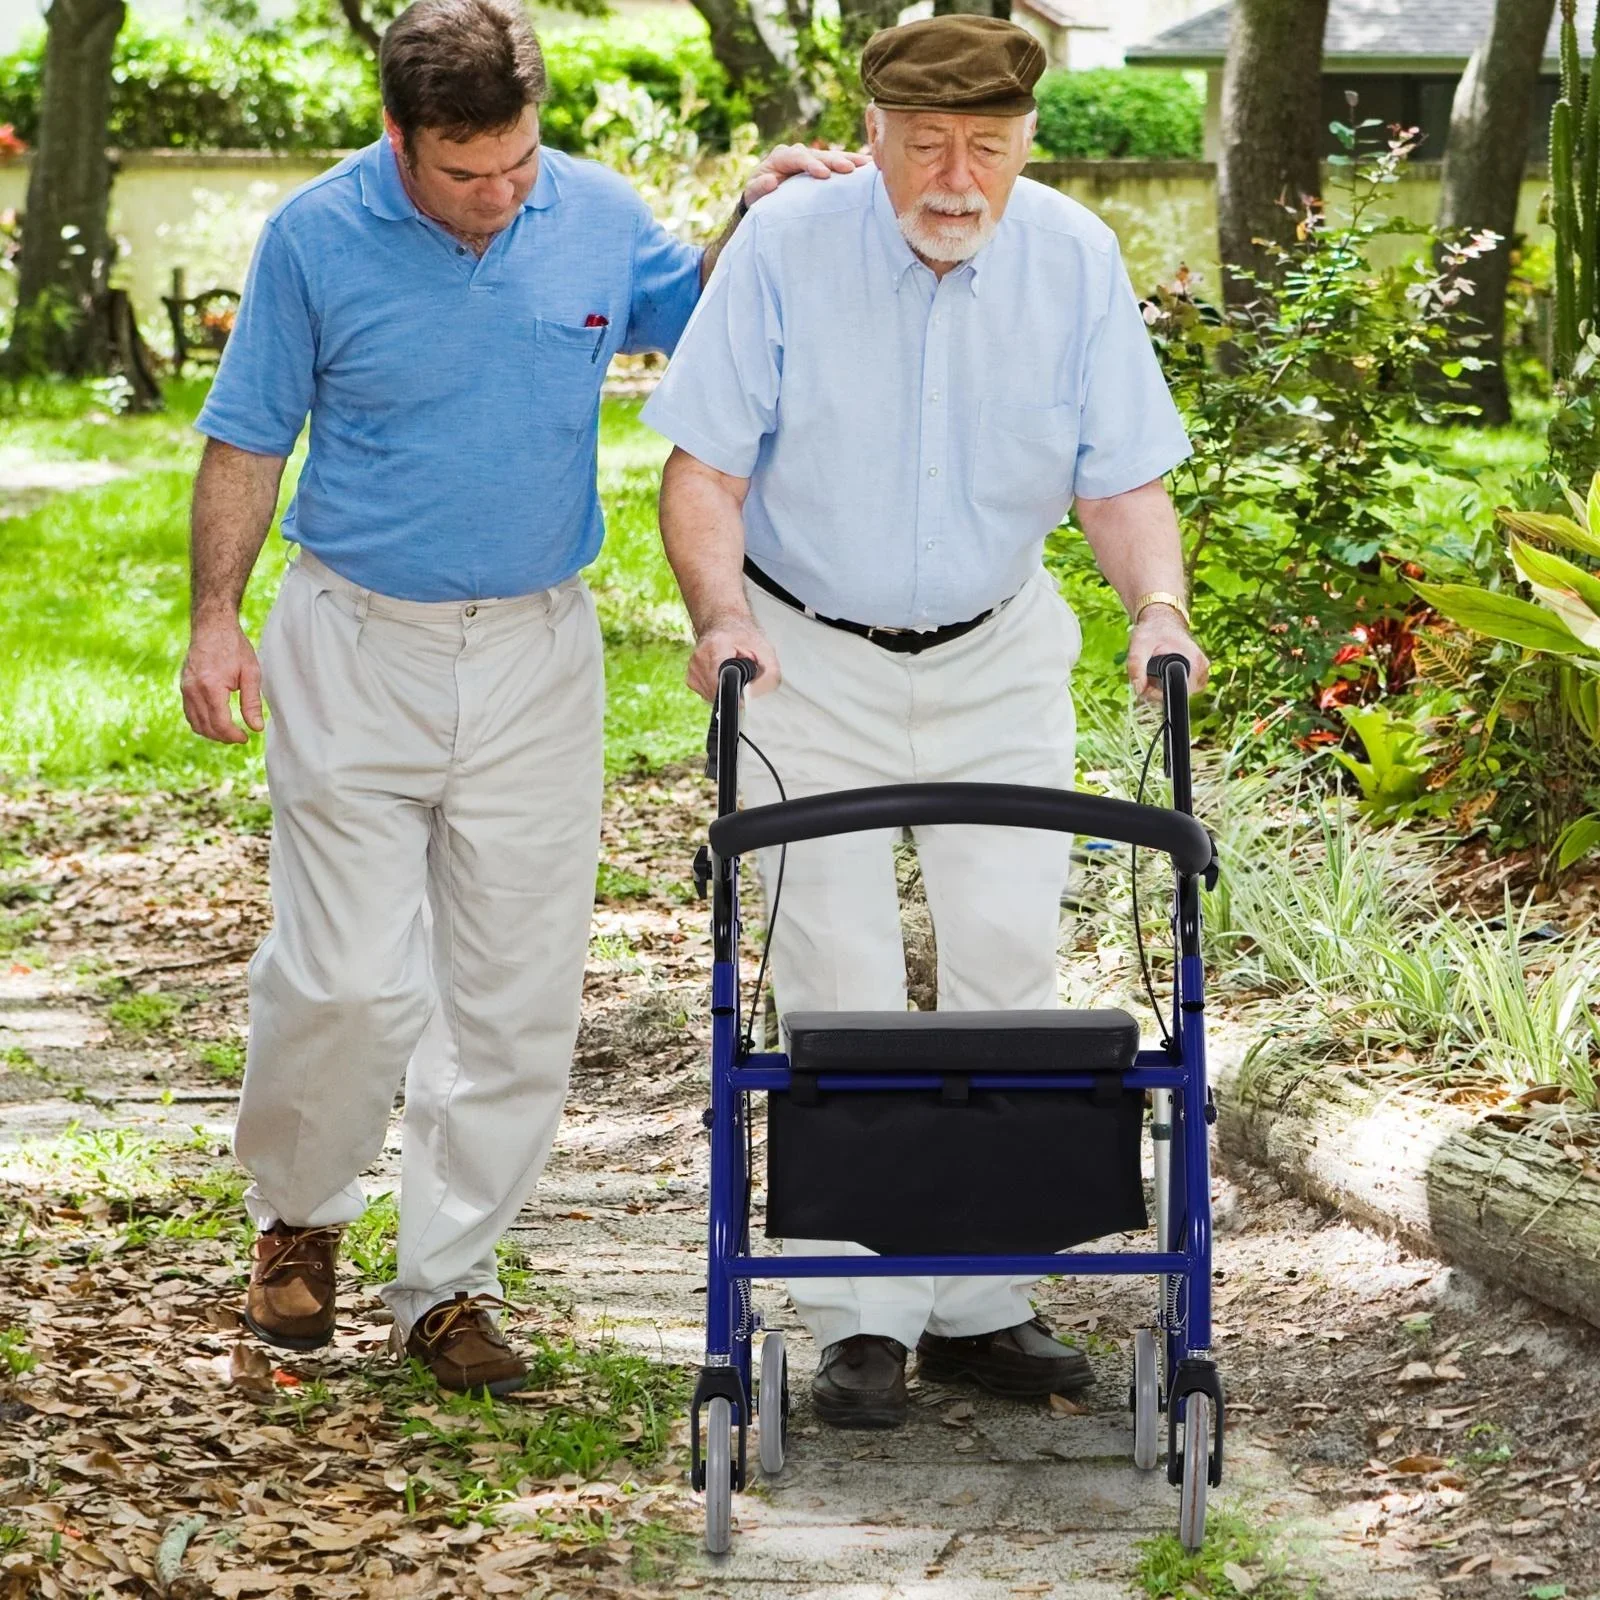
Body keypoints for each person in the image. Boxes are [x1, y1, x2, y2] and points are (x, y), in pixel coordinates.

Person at [179, 0, 861, 1396]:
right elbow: (249, 440)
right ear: (398, 136)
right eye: (464, 172)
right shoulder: (315, 235)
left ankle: (449, 1283)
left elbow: (705, 311)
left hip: (540, 648)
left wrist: (755, 210)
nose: (497, 196)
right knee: (347, 977)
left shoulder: (593, 212)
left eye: (516, 165)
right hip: (355, 637)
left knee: (515, 991)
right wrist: (214, 619)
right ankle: (297, 1216)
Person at [642, 14, 1208, 1429]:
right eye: (931, 145)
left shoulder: (1073, 255)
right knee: (834, 974)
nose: (959, 179)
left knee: (1009, 963)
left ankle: (983, 1298)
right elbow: (703, 472)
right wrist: (720, 616)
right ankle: (860, 1318)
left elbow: (1119, 479)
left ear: (1027, 143)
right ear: (875, 136)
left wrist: (1157, 607)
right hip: (806, 656)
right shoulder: (786, 248)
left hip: (996, 649)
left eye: (990, 148)